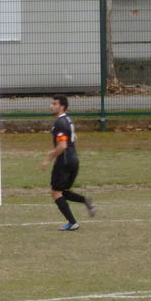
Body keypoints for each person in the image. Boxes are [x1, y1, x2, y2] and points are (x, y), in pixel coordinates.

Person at [41, 94, 96, 231]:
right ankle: (85, 200)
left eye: (54, 104)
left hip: (64, 160)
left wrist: (49, 157)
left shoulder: (60, 122)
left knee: (55, 192)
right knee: (63, 191)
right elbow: (74, 137)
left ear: (62, 107)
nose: (51, 106)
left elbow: (62, 146)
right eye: (51, 103)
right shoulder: (68, 120)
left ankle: (72, 222)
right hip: (74, 159)